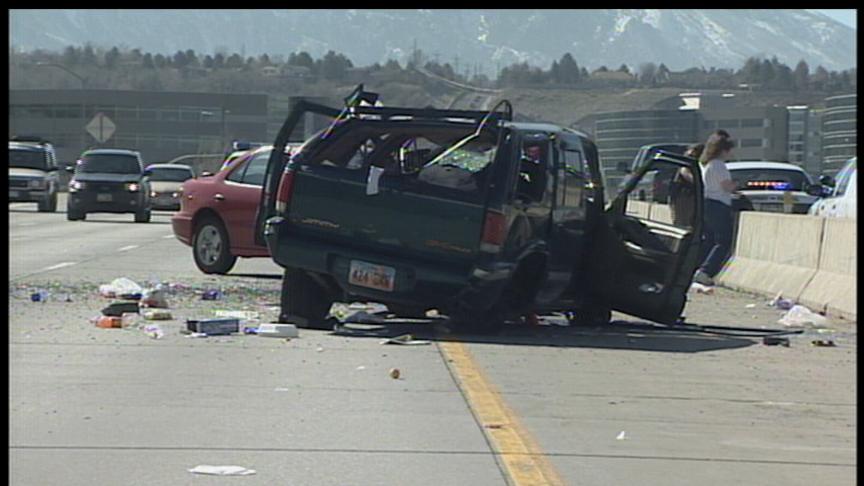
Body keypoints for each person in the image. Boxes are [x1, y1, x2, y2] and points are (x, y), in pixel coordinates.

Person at [693, 130, 737, 286]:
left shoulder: (707, 165)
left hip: (707, 203)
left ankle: (698, 269)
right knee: (723, 241)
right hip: (719, 205)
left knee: (710, 240)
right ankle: (706, 271)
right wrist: (736, 187)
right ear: (723, 150)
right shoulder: (719, 165)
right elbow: (726, 186)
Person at [668, 143, 704, 227]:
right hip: (683, 198)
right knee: (682, 223)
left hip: (691, 198)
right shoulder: (685, 168)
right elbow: (690, 178)